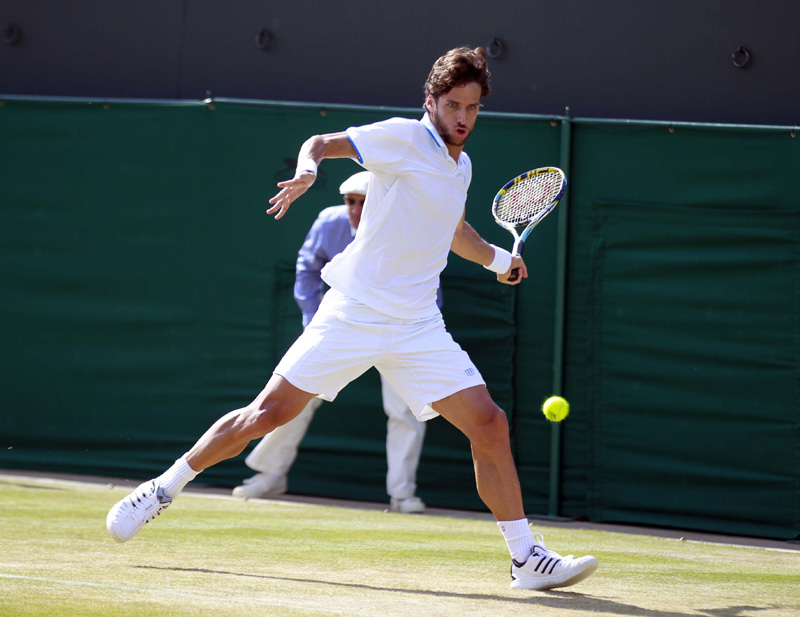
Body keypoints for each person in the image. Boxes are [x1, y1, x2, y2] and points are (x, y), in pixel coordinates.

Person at [106, 46, 598, 591]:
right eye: (453, 105)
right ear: (431, 102)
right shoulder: (404, 138)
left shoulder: (460, 166)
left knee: (490, 424)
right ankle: (161, 488)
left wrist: (501, 261)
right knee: (267, 414)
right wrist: (307, 171)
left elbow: (456, 232)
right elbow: (322, 142)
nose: (463, 117)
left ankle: (525, 557)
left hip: (417, 325)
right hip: (355, 311)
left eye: (473, 107)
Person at [233, 171, 431, 514]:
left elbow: (427, 280)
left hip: (400, 326)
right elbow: (307, 268)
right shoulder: (330, 221)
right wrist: (313, 319)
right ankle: (270, 475)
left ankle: (402, 494)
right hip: (344, 324)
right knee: (296, 394)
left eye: (363, 202)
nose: (354, 209)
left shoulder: (406, 227)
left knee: (405, 409)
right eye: (349, 201)